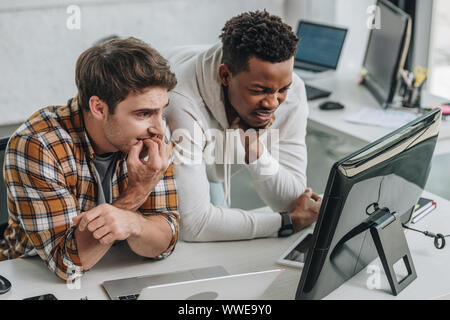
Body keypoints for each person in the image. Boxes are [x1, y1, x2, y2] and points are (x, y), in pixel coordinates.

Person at [0, 37, 179, 282]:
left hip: (115, 269)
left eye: (162, 110)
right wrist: (137, 192)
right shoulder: (39, 144)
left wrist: (134, 225)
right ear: (99, 108)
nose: (159, 128)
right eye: (144, 113)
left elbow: (165, 241)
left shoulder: (147, 133)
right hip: (29, 279)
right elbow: (68, 263)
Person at [163, 10, 322, 242]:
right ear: (225, 75)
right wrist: (287, 222)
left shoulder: (293, 90)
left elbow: (293, 201)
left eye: (282, 89)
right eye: (259, 91)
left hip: (208, 157)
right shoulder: (180, 102)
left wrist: (256, 153)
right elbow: (194, 225)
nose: (272, 103)